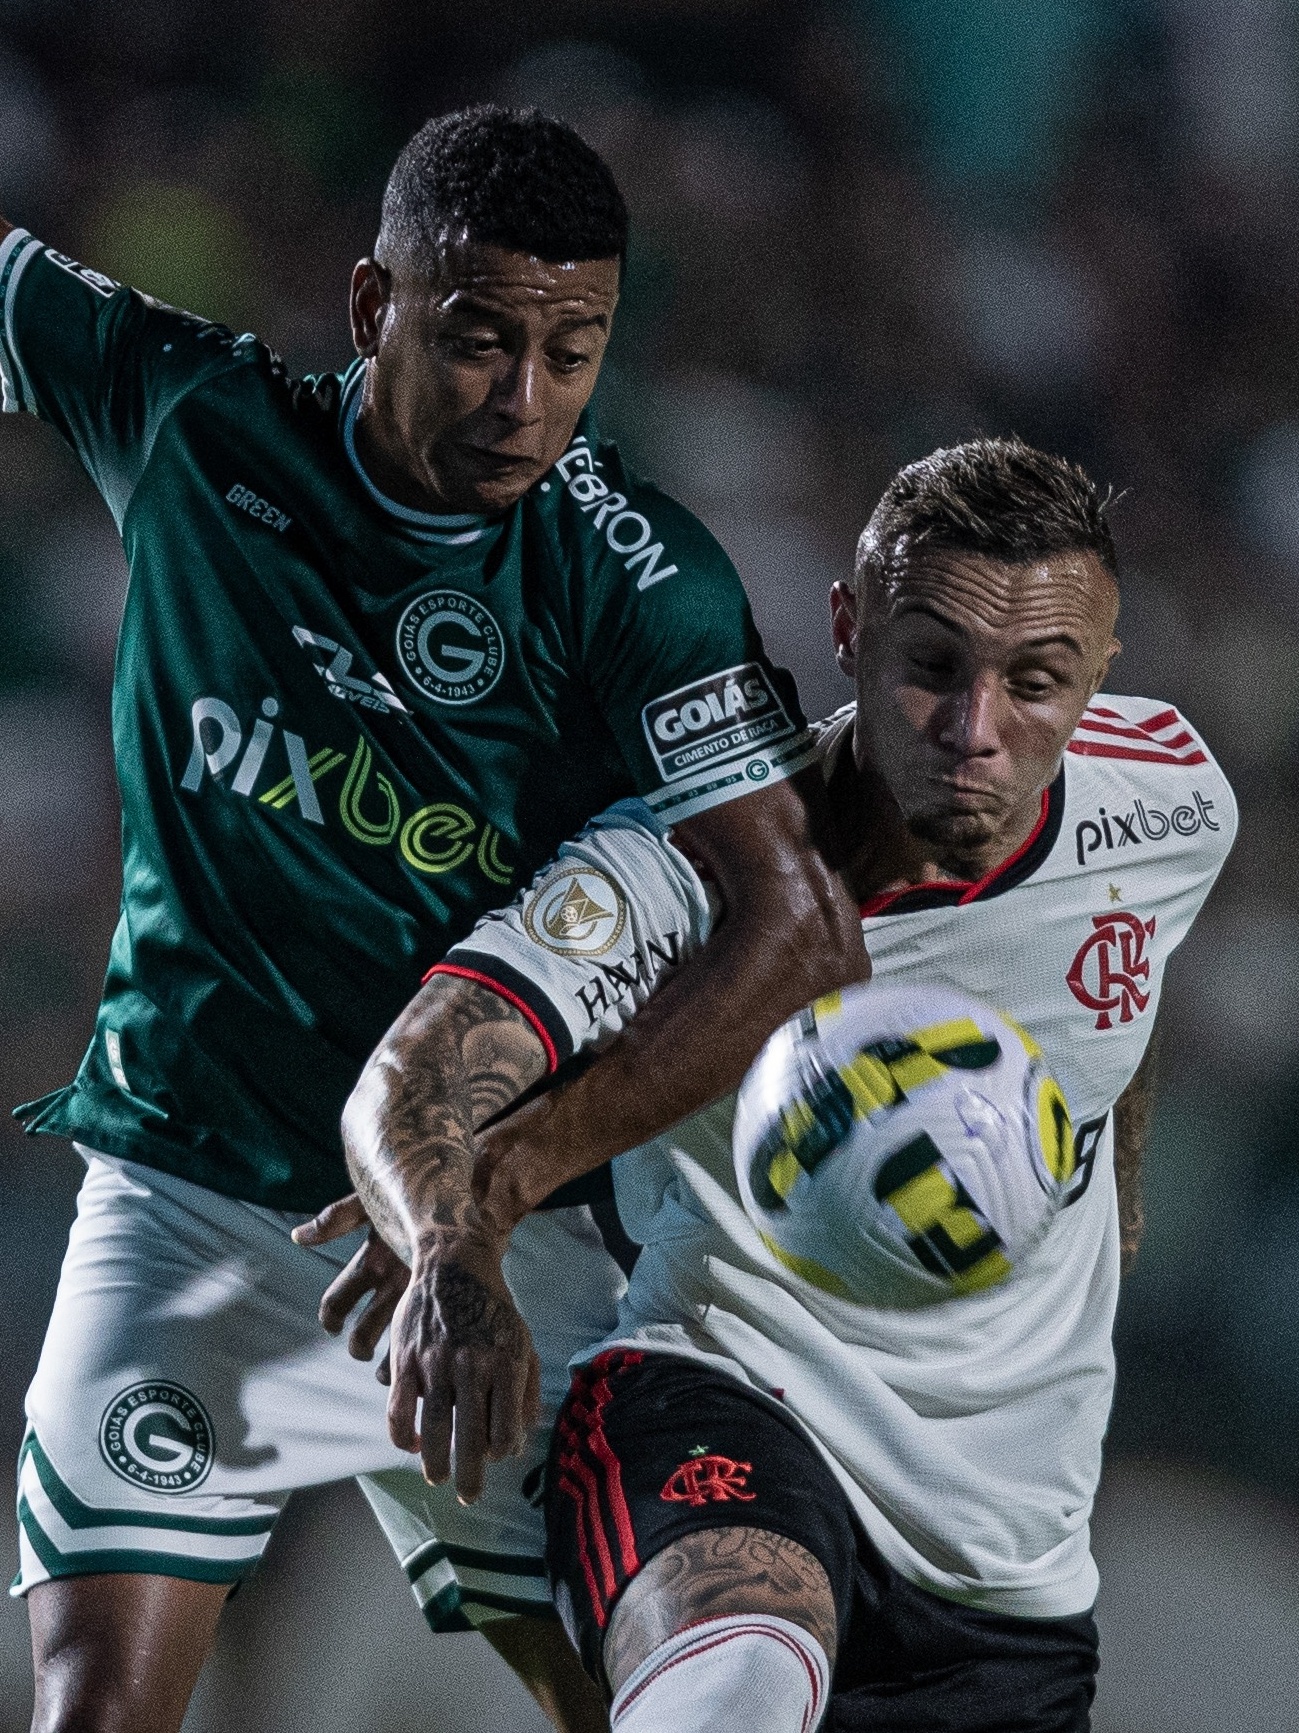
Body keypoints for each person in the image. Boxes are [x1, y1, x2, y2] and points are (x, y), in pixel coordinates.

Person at [0, 105, 866, 1733]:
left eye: (573, 347)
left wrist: (494, 1180)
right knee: (94, 1706)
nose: (524, 398)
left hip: (504, 1239)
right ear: (370, 306)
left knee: (660, 1695)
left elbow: (799, 924)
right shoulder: (198, 421)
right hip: (196, 1194)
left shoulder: (635, 573)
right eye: (479, 339)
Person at [326, 438, 1235, 1731]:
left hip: (999, 1553)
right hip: (715, 1406)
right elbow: (411, 1078)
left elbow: (1118, 980)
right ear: (848, 628)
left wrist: (1114, 1185)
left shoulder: (1172, 798)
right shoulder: (689, 868)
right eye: (932, 666)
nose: (977, 732)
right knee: (736, 1690)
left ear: (1102, 670)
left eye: (1038, 681)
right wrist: (451, 1238)